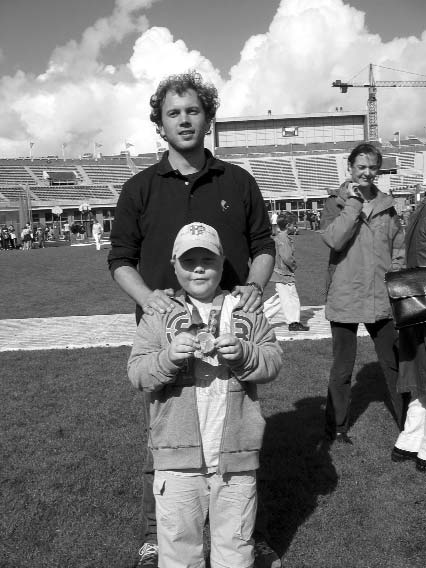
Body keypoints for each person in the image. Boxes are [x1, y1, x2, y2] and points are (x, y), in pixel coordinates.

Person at [107, 71, 278, 567]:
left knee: (238, 435)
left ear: (208, 117)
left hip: (232, 328)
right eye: (173, 113)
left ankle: (247, 534)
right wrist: (149, 298)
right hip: (166, 336)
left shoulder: (237, 181)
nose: (184, 120)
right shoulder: (140, 188)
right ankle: (156, 537)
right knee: (165, 436)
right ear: (160, 124)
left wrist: (254, 286)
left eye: (193, 110)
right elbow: (120, 258)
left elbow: (264, 246)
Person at [127, 222, 283, 568]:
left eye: (207, 259)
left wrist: (243, 354)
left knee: (236, 552)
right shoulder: (159, 312)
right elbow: (137, 374)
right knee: (179, 554)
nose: (199, 268)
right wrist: (168, 357)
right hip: (176, 459)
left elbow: (272, 362)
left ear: (222, 261)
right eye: (188, 260)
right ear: (174, 264)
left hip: (236, 457)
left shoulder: (246, 309)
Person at [321, 143, 406, 444]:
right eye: (361, 167)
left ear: (378, 171)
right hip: (346, 294)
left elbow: (397, 243)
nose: (367, 172)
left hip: (381, 296)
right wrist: (354, 205)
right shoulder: (335, 202)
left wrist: (395, 266)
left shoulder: (388, 204)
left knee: (394, 363)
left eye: (372, 167)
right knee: (342, 368)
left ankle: (410, 428)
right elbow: (334, 240)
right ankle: (337, 427)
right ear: (350, 168)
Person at [391, 197, 426, 472]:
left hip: (416, 299)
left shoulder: (421, 208)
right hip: (422, 295)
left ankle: (410, 440)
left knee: (422, 376)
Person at [265, 214, 309, 331]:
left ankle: (261, 316)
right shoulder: (283, 238)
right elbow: (287, 257)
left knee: (280, 299)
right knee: (291, 297)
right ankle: (293, 322)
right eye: (294, 225)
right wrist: (294, 265)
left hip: (279, 273)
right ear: (288, 225)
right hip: (284, 273)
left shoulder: (280, 237)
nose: (295, 227)